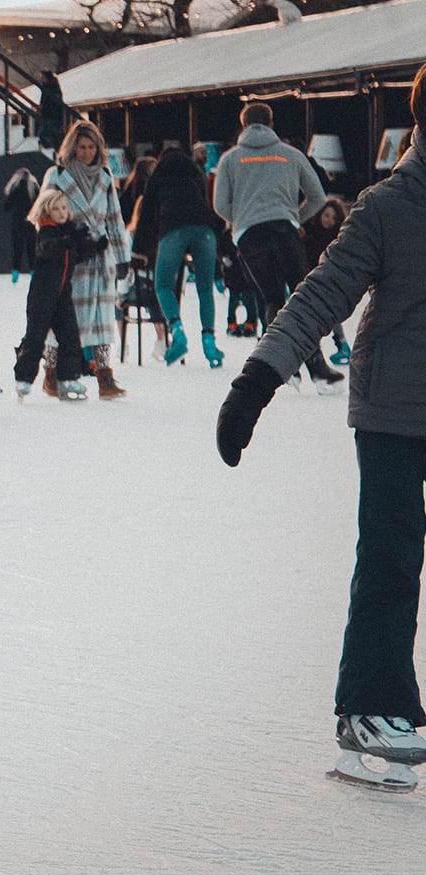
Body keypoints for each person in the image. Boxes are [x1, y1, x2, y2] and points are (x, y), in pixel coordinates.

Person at [214, 63, 426, 795]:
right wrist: (256, 382)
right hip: (395, 411)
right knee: (394, 553)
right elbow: (319, 298)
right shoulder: (389, 207)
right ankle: (370, 707)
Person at [213, 101, 343, 392]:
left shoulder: (230, 159)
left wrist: (243, 220)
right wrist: (294, 218)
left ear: (243, 125)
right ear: (272, 124)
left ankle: (284, 367)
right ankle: (317, 367)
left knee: (272, 298)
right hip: (284, 231)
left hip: (250, 237)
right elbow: (318, 197)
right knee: (300, 300)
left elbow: (220, 204)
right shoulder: (291, 155)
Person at [42, 120, 130, 398]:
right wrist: (64, 240)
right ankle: (51, 373)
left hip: (100, 257)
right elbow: (43, 215)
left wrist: (121, 256)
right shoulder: (57, 176)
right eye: (81, 147)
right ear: (72, 147)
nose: (86, 152)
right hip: (71, 256)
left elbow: (114, 218)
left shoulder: (105, 177)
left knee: (103, 319)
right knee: (63, 319)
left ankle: (105, 376)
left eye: (91, 147)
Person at [131, 146, 225, 369]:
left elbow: (146, 214)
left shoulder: (158, 177)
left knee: (163, 286)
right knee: (204, 289)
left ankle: (177, 331)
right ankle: (209, 341)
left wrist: (139, 249)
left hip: (173, 229)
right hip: (205, 229)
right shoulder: (195, 174)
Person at [12, 188, 103, 403]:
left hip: (62, 295)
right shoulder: (45, 232)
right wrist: (70, 240)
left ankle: (68, 378)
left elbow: (74, 257)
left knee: (71, 337)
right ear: (46, 211)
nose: (62, 212)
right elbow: (48, 249)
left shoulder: (67, 232)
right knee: (35, 338)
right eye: (56, 208)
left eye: (64, 207)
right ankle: (24, 378)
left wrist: (93, 247)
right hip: (42, 295)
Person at [300, 196, 351, 364]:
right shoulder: (309, 232)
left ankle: (341, 345)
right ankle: (311, 350)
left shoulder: (336, 238)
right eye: (327, 215)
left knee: (330, 314)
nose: (329, 220)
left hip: (329, 281)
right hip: (309, 281)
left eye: (333, 218)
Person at [3, 166, 39, 283]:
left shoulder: (14, 187)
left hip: (17, 221)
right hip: (31, 221)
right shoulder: (33, 187)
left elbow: (7, 207)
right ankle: (33, 273)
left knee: (17, 249)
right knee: (31, 249)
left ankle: (15, 274)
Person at [37, 71, 65, 152]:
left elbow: (51, 102)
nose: (41, 79)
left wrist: (43, 108)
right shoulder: (46, 88)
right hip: (50, 116)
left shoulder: (52, 88)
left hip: (53, 116)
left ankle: (52, 150)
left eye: (43, 77)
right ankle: (54, 150)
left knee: (44, 134)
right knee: (52, 135)